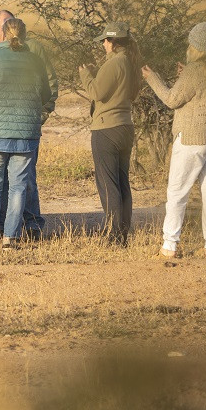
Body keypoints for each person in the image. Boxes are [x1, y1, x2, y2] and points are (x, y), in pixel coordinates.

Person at [141, 22, 206, 258]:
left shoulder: (195, 70)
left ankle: (169, 246)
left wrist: (153, 78)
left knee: (177, 193)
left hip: (193, 138)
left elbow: (172, 99)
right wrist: (187, 75)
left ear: (196, 45)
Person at [0, 10, 58, 238]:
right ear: (24, 35)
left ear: (2, 34)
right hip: (25, 134)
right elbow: (47, 94)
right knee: (19, 186)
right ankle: (12, 237)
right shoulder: (35, 60)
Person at [79, 22, 140, 246]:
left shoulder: (114, 62)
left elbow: (97, 92)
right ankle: (123, 233)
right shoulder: (130, 62)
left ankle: (113, 235)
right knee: (122, 182)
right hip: (125, 126)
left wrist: (86, 75)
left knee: (108, 184)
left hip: (106, 128)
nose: (103, 44)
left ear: (113, 42)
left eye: (105, 40)